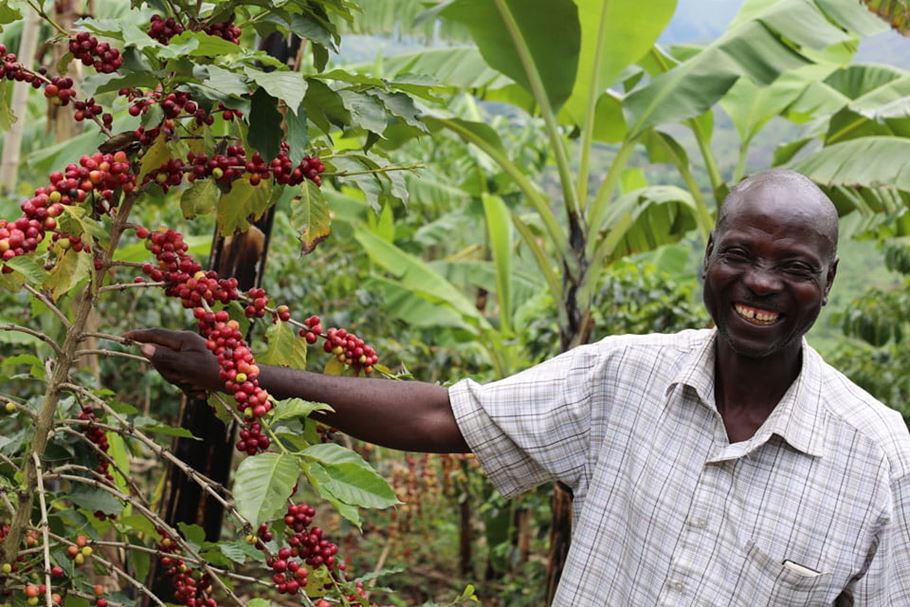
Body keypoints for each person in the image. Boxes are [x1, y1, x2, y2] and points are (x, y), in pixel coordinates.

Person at [126, 169, 910, 606]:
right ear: (707, 257)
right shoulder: (624, 376)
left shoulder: (875, 454)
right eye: (740, 254)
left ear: (830, 282)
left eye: (795, 267)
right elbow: (443, 413)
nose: (761, 284)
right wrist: (240, 371)